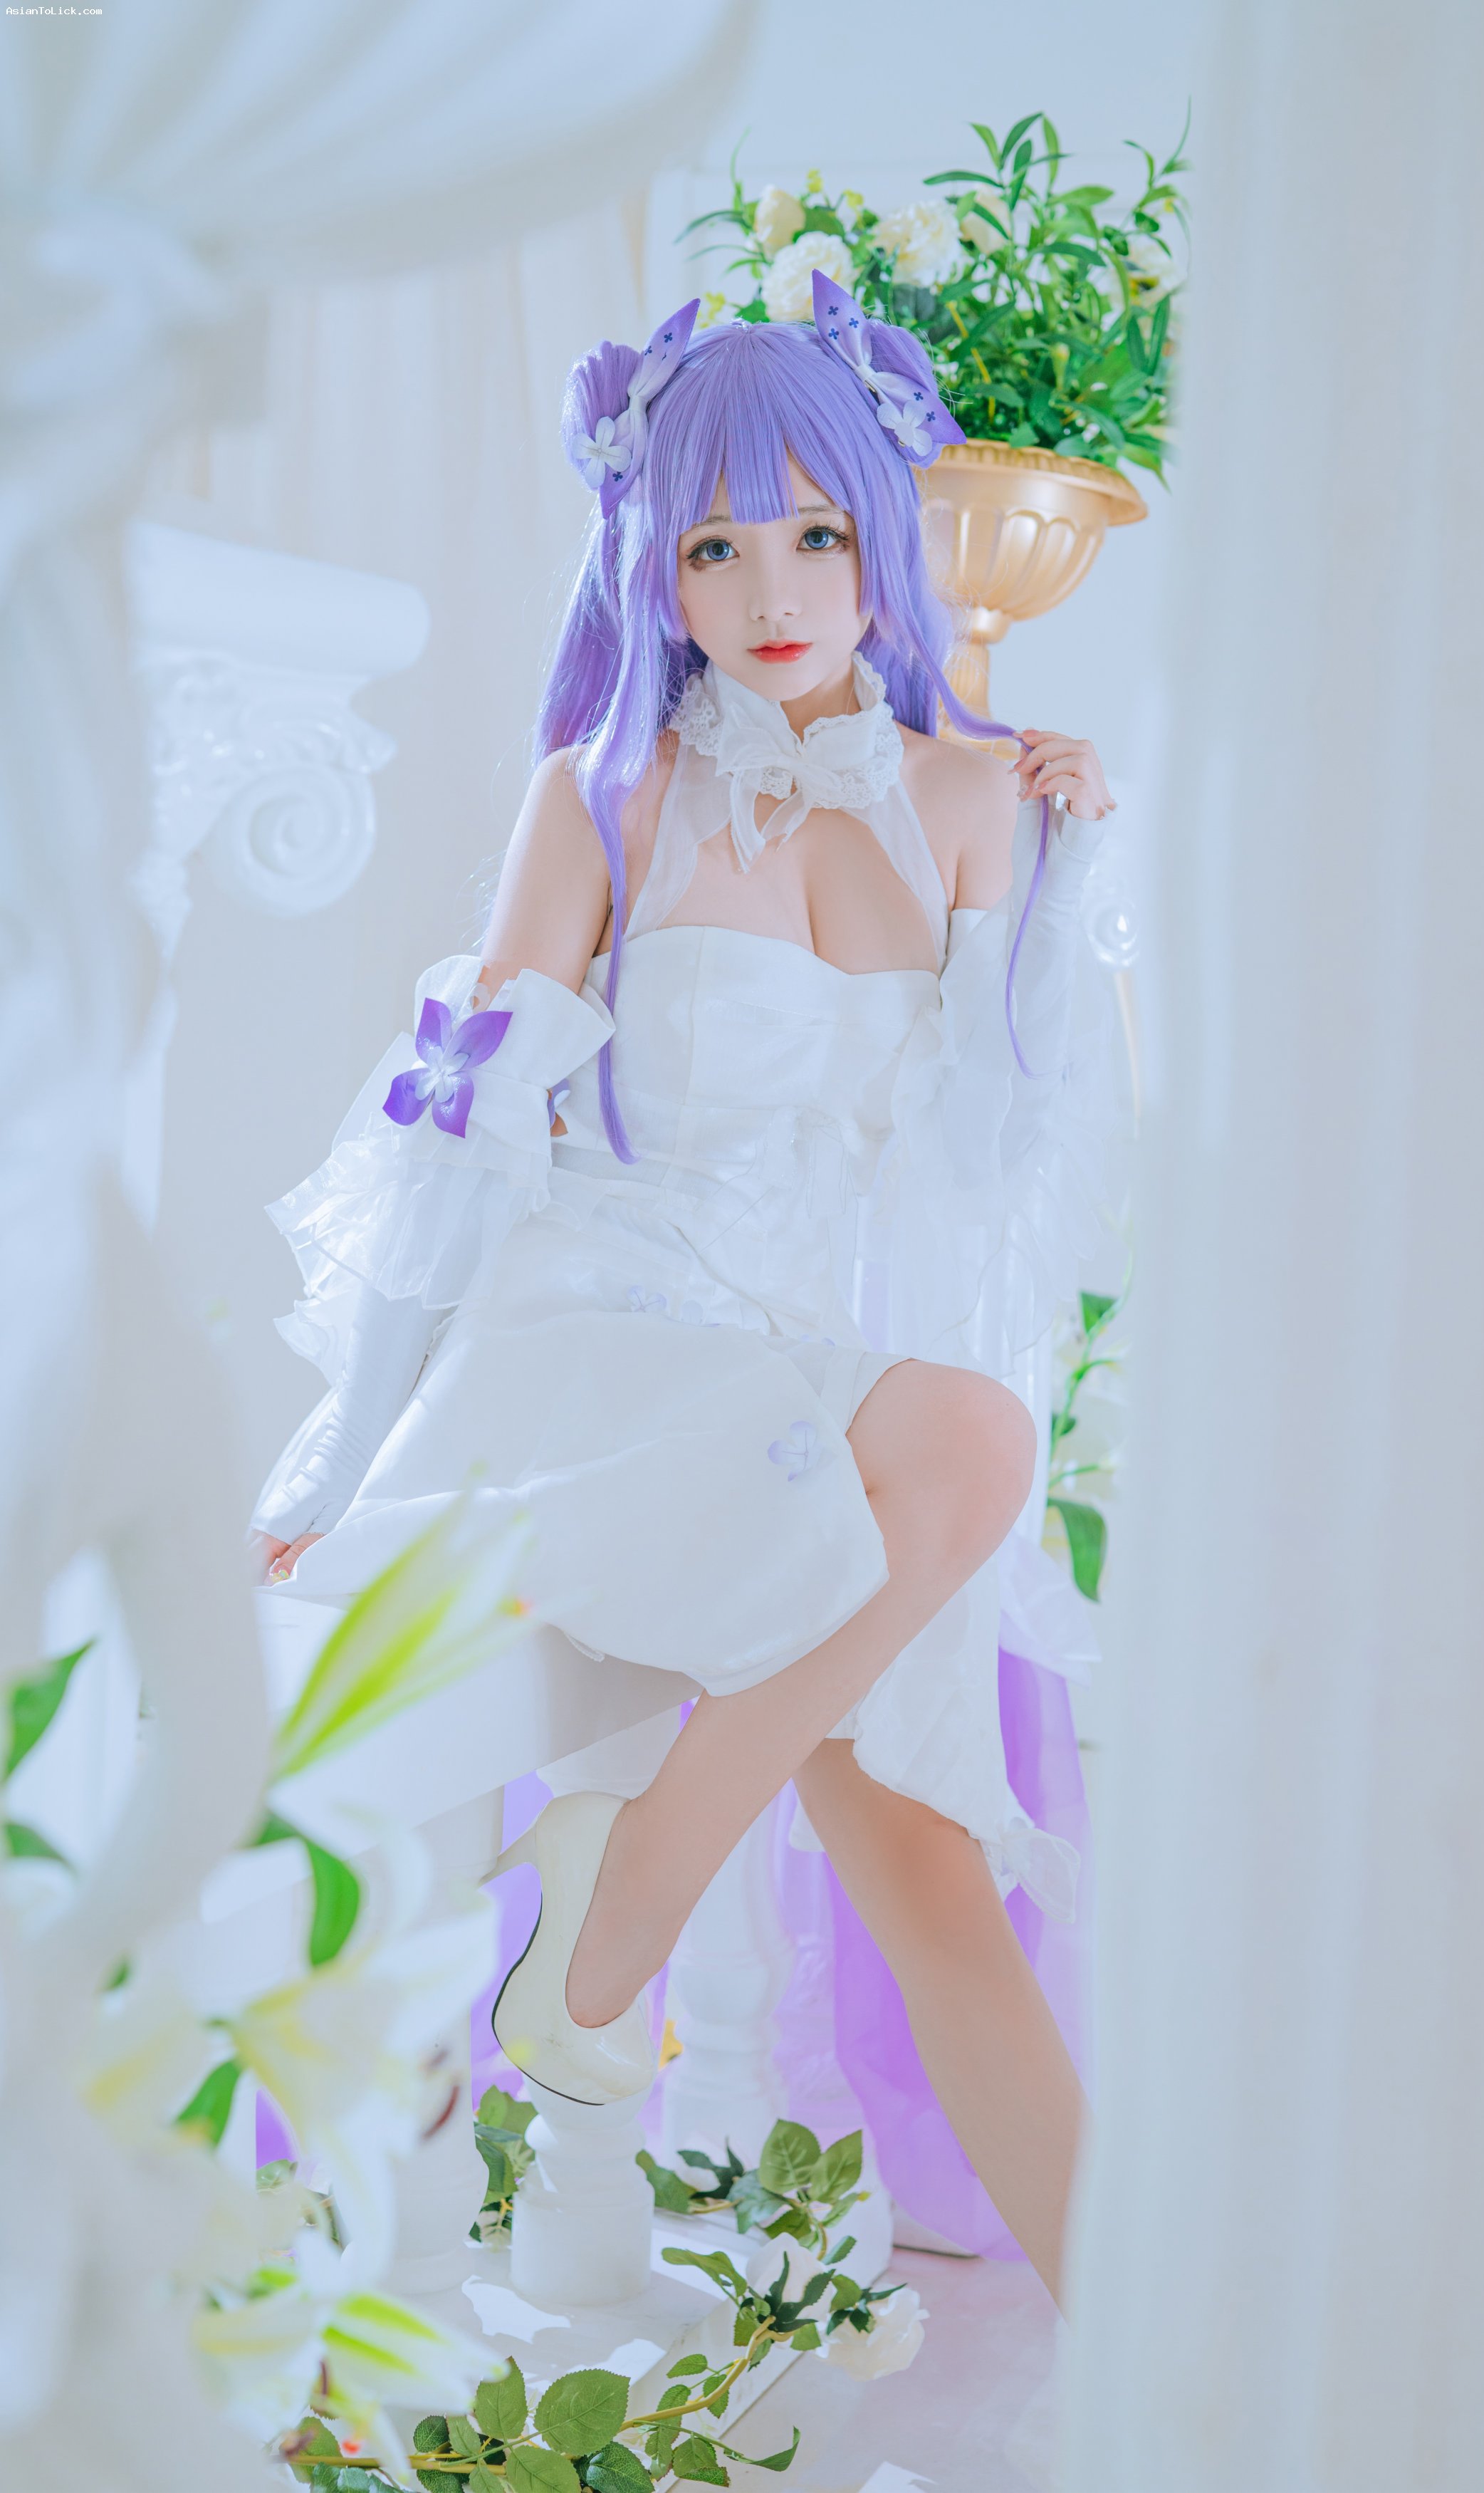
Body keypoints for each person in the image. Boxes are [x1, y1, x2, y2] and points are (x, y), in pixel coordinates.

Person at [251, 278, 1117, 2303]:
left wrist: (1068, 880)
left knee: (930, 1870)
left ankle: (1174, 2377)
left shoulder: (973, 798)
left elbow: (1006, 1157)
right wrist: (345, 1445)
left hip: (786, 1382)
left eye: (813, 531)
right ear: (650, 562)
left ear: (882, 535)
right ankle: (622, 1911)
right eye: (713, 545)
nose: (769, 589)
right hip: (590, 1346)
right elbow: (456, 1140)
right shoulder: (603, 792)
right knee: (969, 1443)